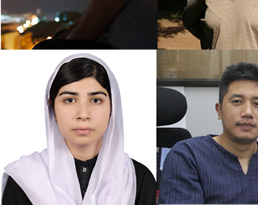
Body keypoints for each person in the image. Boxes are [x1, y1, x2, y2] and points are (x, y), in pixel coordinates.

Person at [1, 54, 156, 204]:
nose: (83, 114)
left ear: (112, 108)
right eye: (69, 100)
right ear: (52, 107)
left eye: (96, 100)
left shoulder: (137, 178)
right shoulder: (23, 179)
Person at [159, 63, 258, 205]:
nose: (248, 112)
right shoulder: (187, 157)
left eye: (257, 104)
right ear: (219, 110)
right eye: (237, 101)